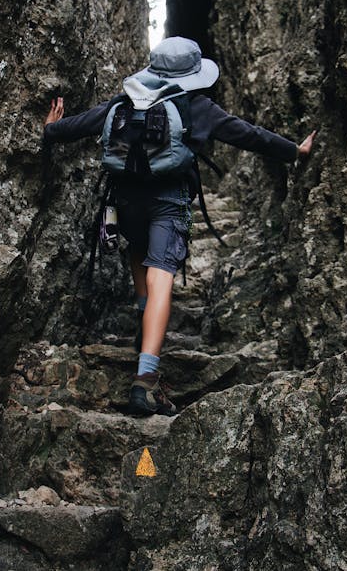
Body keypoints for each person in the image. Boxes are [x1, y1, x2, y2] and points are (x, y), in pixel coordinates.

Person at [43, 36, 316, 417]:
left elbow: (83, 124)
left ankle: (142, 329)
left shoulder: (124, 102)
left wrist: (51, 129)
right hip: (168, 202)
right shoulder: (197, 106)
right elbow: (247, 134)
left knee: (139, 253)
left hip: (125, 201)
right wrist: (294, 150)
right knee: (161, 280)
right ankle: (145, 381)